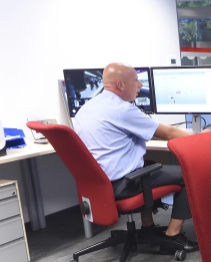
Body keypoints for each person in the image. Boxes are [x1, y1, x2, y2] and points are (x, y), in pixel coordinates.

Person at [74, 63, 197, 251]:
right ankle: (173, 236)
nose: (140, 85)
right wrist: (204, 138)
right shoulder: (122, 110)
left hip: (100, 186)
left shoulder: (86, 109)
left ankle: (147, 227)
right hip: (124, 185)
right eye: (136, 80)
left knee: (149, 164)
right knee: (189, 174)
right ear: (120, 85)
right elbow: (169, 133)